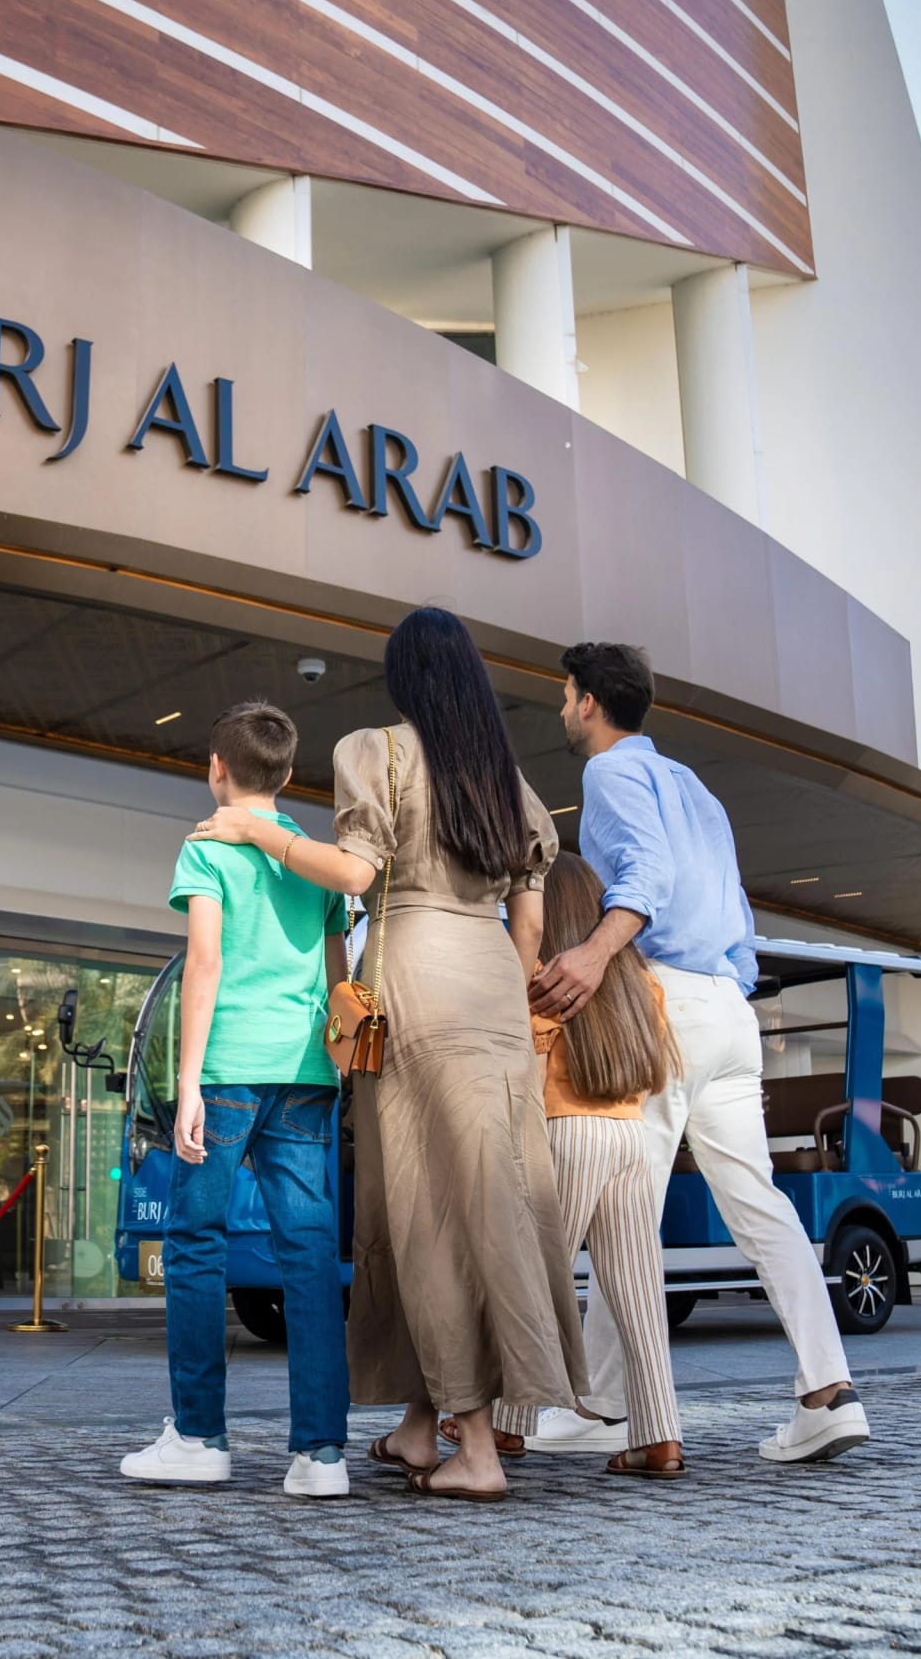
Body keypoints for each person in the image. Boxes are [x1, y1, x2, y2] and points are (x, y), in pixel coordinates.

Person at [193, 607, 584, 1503]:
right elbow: (528, 924)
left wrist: (261, 831)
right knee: (495, 1198)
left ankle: (475, 1448)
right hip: (492, 987)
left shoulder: (377, 751)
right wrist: (509, 1009)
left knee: (421, 1212)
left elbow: (358, 876)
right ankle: (420, 1426)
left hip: (413, 974)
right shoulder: (508, 781)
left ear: (405, 676)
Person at [529, 642, 870, 1465]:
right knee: (756, 1204)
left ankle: (615, 1410)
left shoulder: (610, 776)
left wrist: (593, 953)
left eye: (565, 695)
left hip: (668, 1003)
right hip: (729, 1004)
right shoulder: (695, 787)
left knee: (622, 1211)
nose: (562, 709)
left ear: (588, 704)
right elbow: (735, 905)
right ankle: (827, 1388)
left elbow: (641, 877)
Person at [121, 700, 352, 1498]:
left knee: (196, 1246)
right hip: (306, 1075)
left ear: (214, 769)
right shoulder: (311, 859)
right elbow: (336, 972)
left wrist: (186, 1083)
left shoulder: (206, 847)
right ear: (287, 777)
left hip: (225, 1073)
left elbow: (206, 966)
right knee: (310, 1258)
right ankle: (322, 1455)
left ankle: (198, 1438)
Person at [490, 852, 686, 1478]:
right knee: (639, 1297)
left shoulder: (543, 979)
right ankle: (661, 1438)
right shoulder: (637, 980)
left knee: (536, 1284)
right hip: (630, 1138)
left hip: (565, 1133)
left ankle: (506, 1425)